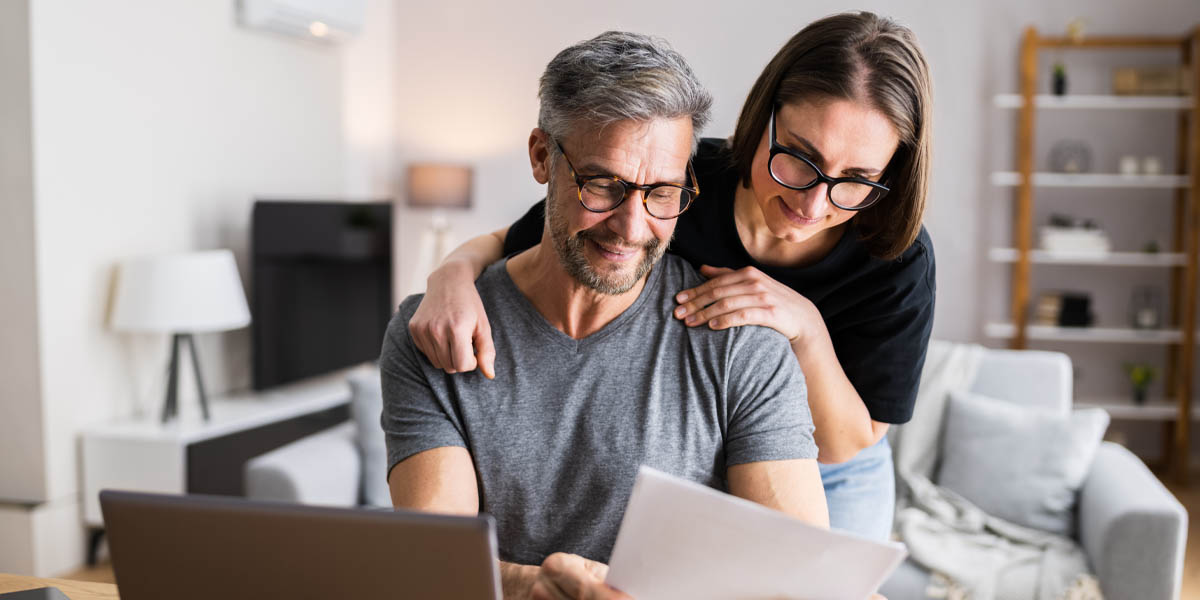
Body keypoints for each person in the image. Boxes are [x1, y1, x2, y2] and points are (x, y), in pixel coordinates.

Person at [407, 11, 935, 542]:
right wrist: (450, 277)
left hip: (835, 467)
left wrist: (805, 327)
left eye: (857, 180)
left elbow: (848, 442)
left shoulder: (895, 254)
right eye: (799, 158)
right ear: (763, 119)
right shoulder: (672, 177)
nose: (813, 202)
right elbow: (517, 241)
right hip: (726, 439)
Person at [382, 31, 829, 600]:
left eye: (663, 192)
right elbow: (434, 565)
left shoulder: (742, 347)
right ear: (542, 156)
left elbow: (801, 580)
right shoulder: (436, 334)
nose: (633, 227)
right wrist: (540, 588)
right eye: (603, 185)